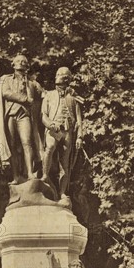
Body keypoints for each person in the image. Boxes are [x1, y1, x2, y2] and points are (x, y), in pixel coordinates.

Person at [0, 54, 44, 184]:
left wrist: (67, 91)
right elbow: (6, 93)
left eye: (23, 63)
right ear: (13, 65)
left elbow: (45, 94)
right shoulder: (6, 80)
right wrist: (24, 99)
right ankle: (16, 177)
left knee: (26, 142)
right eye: (18, 62)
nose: (21, 64)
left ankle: (29, 173)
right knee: (12, 145)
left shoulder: (32, 84)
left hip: (24, 115)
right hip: (11, 114)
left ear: (27, 67)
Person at [41, 67, 83, 206]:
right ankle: (45, 176)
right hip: (53, 129)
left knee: (65, 164)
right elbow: (43, 116)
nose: (58, 77)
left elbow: (79, 119)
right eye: (57, 74)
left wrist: (80, 137)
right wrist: (50, 125)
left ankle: (62, 193)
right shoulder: (49, 95)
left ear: (67, 79)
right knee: (50, 147)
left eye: (61, 75)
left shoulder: (74, 97)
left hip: (68, 132)